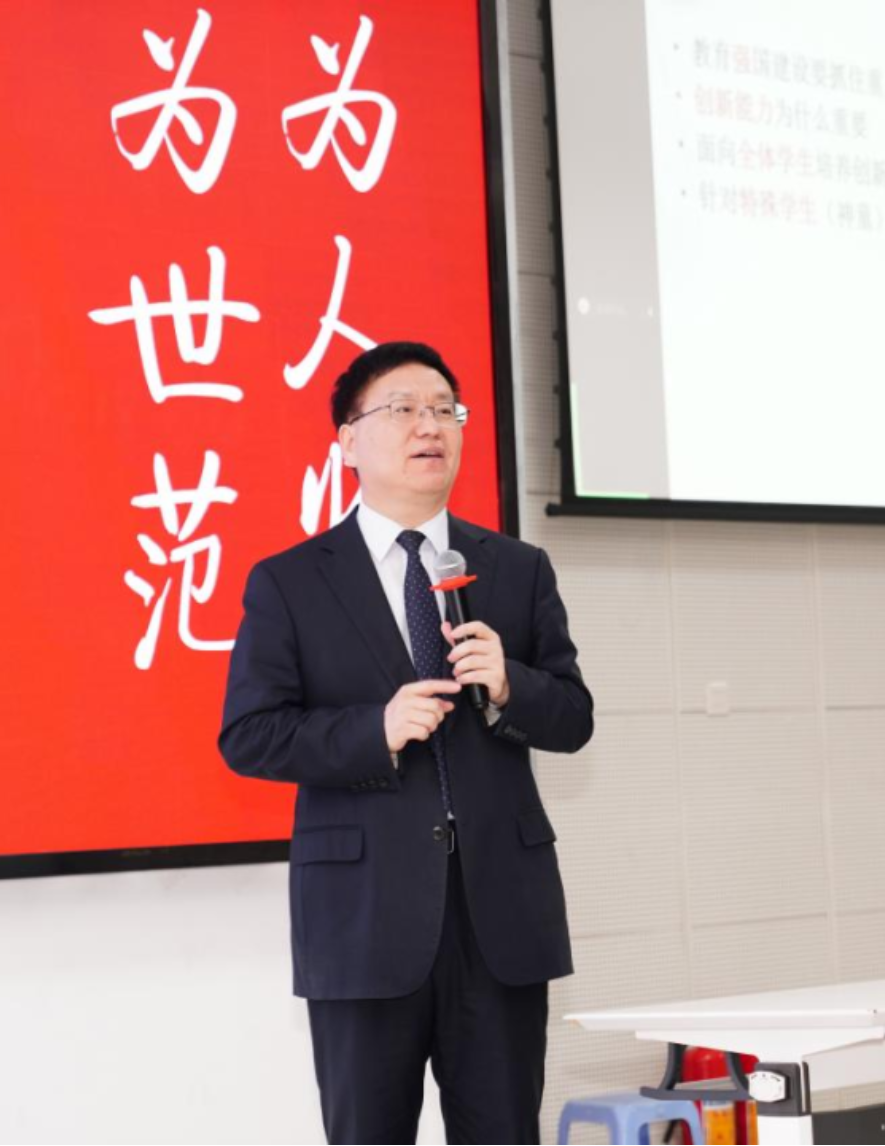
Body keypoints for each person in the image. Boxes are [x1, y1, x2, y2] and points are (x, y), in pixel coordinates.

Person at [218, 341, 593, 1144]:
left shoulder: (517, 568)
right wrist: (374, 730)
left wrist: (510, 685)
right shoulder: (291, 580)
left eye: (445, 410)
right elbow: (249, 735)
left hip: (500, 921)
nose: (430, 426)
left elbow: (574, 717)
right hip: (364, 921)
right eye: (403, 409)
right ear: (347, 441)